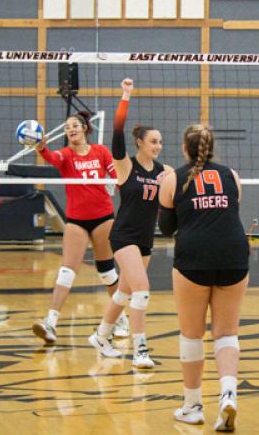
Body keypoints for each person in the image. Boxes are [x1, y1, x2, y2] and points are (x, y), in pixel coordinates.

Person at [157, 124, 249, 431]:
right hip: (234, 254)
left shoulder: (172, 178)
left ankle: (193, 406)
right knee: (227, 333)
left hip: (194, 256)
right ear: (211, 148)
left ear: (185, 148)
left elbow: (167, 229)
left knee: (192, 334)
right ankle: (228, 395)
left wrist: (163, 192)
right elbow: (230, 213)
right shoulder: (232, 176)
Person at [88, 78, 172, 369]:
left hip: (147, 238)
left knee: (123, 293)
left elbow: (184, 186)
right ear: (140, 142)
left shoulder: (165, 171)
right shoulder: (126, 166)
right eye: (153, 141)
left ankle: (100, 337)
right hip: (123, 235)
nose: (158, 146)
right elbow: (116, 131)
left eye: (160, 142)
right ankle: (140, 350)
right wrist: (125, 96)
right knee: (142, 291)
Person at [32, 111, 128, 344]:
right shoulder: (65, 155)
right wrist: (41, 149)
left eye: (75, 125)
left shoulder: (101, 152)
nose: (71, 129)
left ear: (85, 127)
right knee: (67, 270)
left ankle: (121, 319)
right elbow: (52, 158)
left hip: (103, 217)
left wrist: (120, 185)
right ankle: (50, 322)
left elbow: (117, 175)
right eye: (67, 127)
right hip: (76, 220)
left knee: (106, 272)